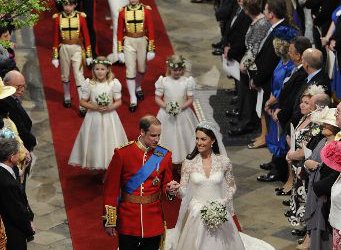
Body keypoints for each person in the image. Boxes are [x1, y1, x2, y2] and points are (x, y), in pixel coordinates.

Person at [165, 120, 275, 250]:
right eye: (197, 139)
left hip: (219, 210)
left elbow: (231, 186)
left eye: (203, 139)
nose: (199, 142)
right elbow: (183, 192)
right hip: (196, 213)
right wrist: (175, 190)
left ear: (212, 141)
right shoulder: (189, 163)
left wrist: (223, 202)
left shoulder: (224, 162)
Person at [102, 115, 179, 250]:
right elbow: (110, 190)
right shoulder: (122, 153)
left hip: (153, 220)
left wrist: (171, 190)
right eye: (153, 135)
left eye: (159, 135)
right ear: (142, 132)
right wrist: (110, 221)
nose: (157, 139)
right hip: (128, 219)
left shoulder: (164, 155)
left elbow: (166, 188)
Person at [68, 57, 128, 170]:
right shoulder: (89, 84)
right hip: (93, 117)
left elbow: (118, 101)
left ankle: (110, 164)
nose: (100, 72)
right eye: (97, 69)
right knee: (95, 140)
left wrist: (110, 107)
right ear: (93, 70)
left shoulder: (113, 83)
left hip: (109, 116)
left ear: (108, 70)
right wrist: (94, 107)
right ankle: (94, 161)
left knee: (110, 139)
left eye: (102, 69)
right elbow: (82, 101)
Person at [257, 26, 296, 183]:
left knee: (280, 138)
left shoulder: (291, 67)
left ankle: (279, 171)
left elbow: (285, 88)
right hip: (273, 103)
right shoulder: (282, 61)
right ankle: (274, 161)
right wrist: (269, 100)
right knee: (273, 135)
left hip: (281, 105)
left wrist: (272, 101)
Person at [302, 107, 340, 250]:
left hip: (325, 194)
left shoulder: (336, 145)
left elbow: (332, 172)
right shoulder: (321, 141)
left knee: (325, 231)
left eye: (327, 123)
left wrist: (317, 167)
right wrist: (307, 164)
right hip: (315, 188)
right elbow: (309, 159)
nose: (323, 125)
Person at [155, 55, 198, 174]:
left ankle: (181, 163)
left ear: (182, 69)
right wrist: (166, 106)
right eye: (174, 70)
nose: (177, 72)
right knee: (166, 137)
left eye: (179, 70)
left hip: (182, 114)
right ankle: (164, 162)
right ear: (170, 68)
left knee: (182, 139)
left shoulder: (187, 82)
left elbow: (190, 99)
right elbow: (158, 98)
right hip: (166, 114)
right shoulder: (163, 81)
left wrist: (180, 107)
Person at [52, 0, 93, 115]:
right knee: (65, 74)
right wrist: (55, 56)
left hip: (77, 48)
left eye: (70, 4)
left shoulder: (80, 17)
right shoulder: (58, 18)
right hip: (64, 48)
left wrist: (89, 54)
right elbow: (55, 37)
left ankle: (82, 104)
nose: (68, 7)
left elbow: (86, 36)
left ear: (75, 5)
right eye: (65, 4)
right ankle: (67, 95)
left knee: (79, 75)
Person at [117, 0, 155, 112]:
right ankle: (133, 98)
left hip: (142, 40)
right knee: (130, 70)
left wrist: (151, 49)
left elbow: (151, 29)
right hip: (128, 41)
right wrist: (120, 50)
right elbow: (119, 31)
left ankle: (137, 85)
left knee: (142, 69)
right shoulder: (122, 11)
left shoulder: (146, 11)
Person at [0, 138, 35, 250]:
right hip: (12, 229)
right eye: (18, 153)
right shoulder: (6, 183)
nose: (22, 154)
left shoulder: (12, 168)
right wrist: (28, 227)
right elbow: (16, 210)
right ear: (11, 157)